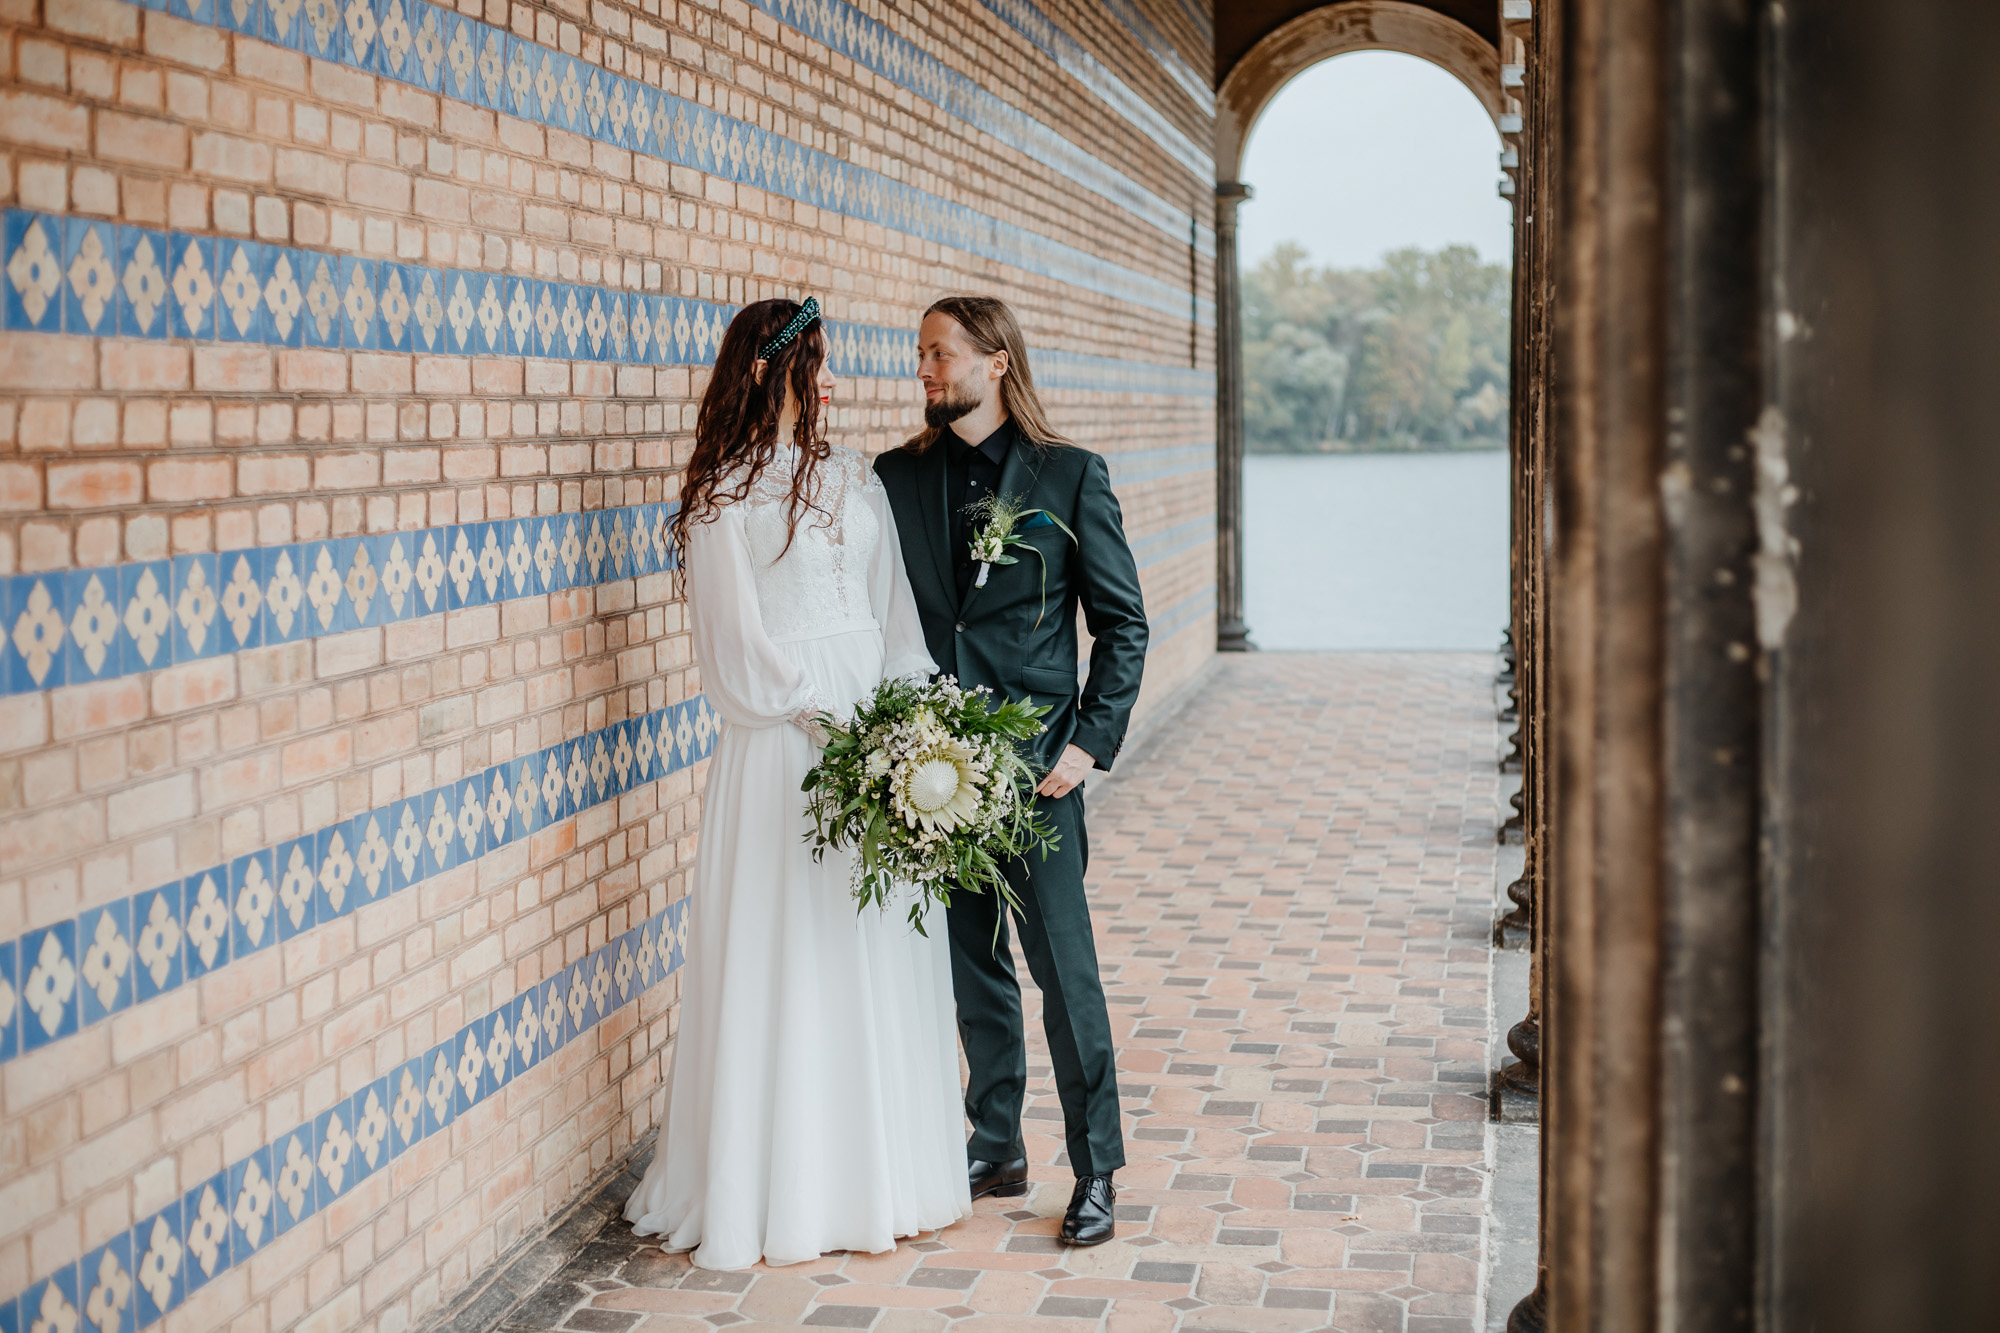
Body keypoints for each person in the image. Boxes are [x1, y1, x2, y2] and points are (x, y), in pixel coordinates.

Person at [623, 297, 971, 1269]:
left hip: (875, 739)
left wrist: (908, 733)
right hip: (783, 751)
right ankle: (787, 1188)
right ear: (769, 374)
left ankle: (886, 1177)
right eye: (813, 366)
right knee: (795, 952)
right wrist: (828, 724)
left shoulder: (851, 477)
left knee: (869, 942)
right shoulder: (721, 497)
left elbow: (891, 616)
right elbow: (734, 649)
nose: (830, 384)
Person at [873, 296, 1149, 1247]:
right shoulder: (895, 479)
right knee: (971, 966)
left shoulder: (1071, 476)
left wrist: (1086, 744)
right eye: (920, 355)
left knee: (1064, 975)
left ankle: (1097, 1168)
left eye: (939, 353)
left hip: (1039, 774)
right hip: (934, 773)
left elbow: (1123, 624)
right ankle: (995, 1143)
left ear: (995, 361)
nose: (924, 370)